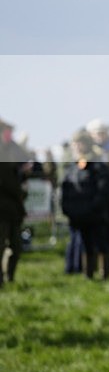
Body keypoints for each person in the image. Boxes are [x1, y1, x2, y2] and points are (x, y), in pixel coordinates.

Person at [60, 130, 109, 279]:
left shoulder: (98, 165)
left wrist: (94, 207)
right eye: (75, 143)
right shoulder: (72, 166)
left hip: (96, 214)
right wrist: (68, 209)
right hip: (78, 215)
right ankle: (87, 274)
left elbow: (104, 189)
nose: (77, 146)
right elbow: (66, 189)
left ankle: (105, 274)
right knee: (85, 245)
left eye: (80, 143)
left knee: (101, 243)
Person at [0, 118, 27, 286]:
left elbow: (24, 162)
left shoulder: (12, 148)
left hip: (14, 208)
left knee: (15, 246)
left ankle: (9, 276)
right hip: (4, 206)